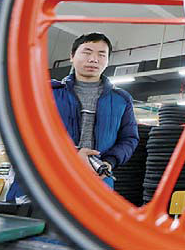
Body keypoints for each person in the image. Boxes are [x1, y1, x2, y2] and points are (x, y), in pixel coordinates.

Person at [7, 33, 139, 200]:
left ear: (107, 60)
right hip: (46, 181)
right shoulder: (46, 92)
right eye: (87, 52)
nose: (93, 59)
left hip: (96, 183)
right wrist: (72, 155)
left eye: (101, 54)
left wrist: (109, 162)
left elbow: (129, 139)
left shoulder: (121, 99)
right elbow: (25, 133)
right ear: (72, 56)